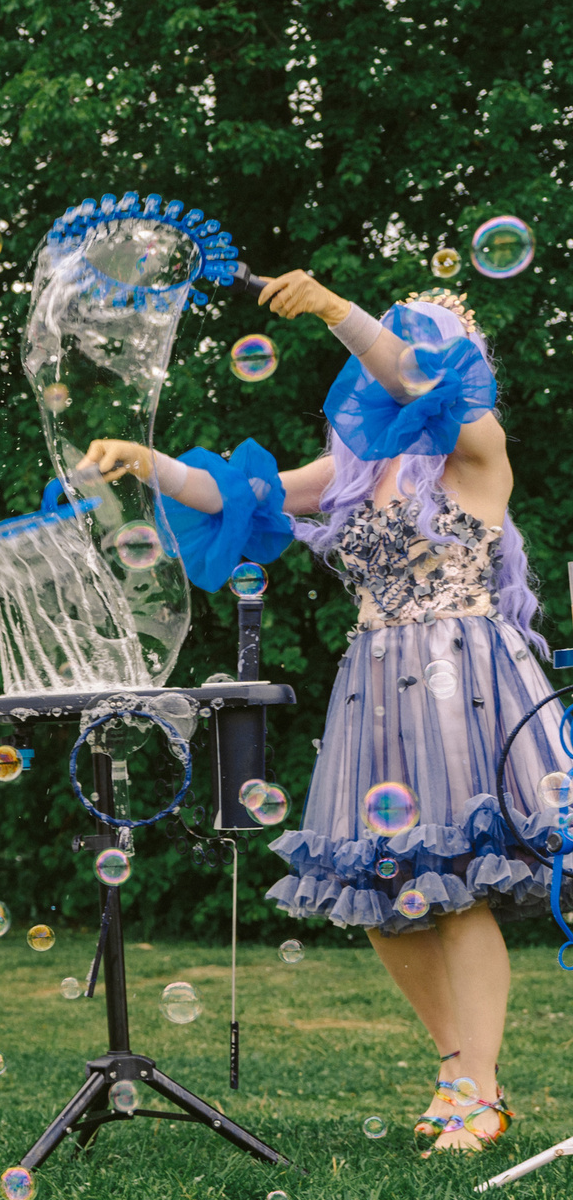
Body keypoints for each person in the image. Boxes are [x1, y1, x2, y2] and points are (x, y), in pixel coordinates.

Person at [80, 276, 553, 1154]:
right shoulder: (355, 473)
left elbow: (416, 379)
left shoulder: (477, 445)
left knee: (458, 885)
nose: (394, 364)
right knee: (374, 893)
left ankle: (482, 1091)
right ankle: (453, 1066)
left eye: (419, 345)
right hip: (375, 681)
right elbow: (238, 496)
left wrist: (337, 311)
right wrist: (149, 462)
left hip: (461, 680)